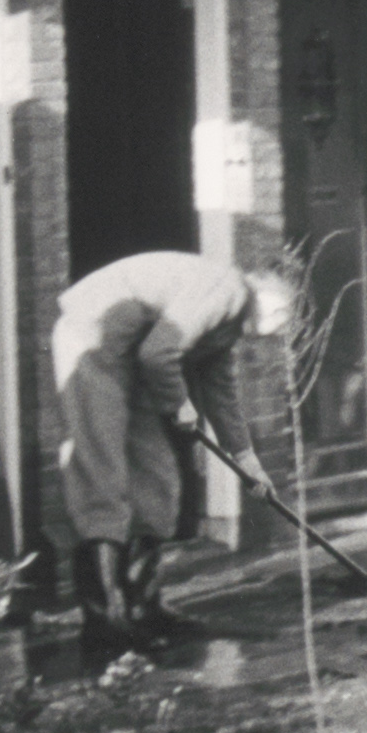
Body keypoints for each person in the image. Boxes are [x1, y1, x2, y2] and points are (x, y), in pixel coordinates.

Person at [51, 252, 297, 657]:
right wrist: (179, 404)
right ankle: (106, 621)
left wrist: (247, 459)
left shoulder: (228, 323)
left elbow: (219, 389)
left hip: (135, 354)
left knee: (157, 475)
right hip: (94, 338)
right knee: (102, 474)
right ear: (266, 296)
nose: (284, 325)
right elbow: (160, 351)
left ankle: (144, 607)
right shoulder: (228, 290)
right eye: (285, 312)